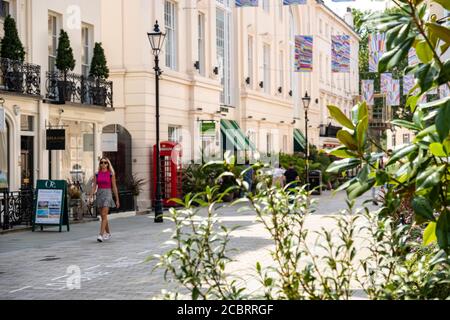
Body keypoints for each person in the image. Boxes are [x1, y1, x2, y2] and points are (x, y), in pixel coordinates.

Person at [91, 158, 120, 242]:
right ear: (100, 164)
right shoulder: (96, 174)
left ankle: (101, 234)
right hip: (99, 194)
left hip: (108, 194)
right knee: (103, 216)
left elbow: (114, 187)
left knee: (104, 213)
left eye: (105, 162)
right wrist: (90, 195)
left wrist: (117, 199)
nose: (103, 164)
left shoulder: (111, 174)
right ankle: (108, 233)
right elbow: (94, 186)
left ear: (108, 164)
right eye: (101, 162)